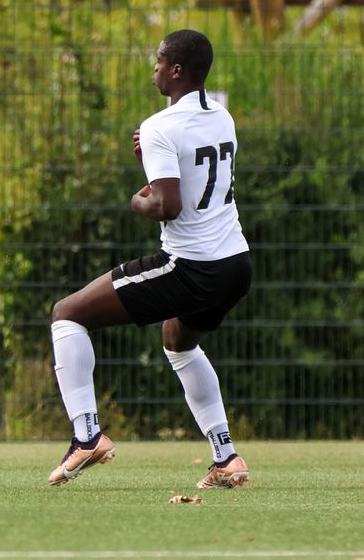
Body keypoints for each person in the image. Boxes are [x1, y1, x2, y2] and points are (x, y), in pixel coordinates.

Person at [47, 29, 252, 489]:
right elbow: (196, 178)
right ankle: (226, 457)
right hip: (236, 264)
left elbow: (168, 205)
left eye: (159, 61)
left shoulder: (160, 126)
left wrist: (137, 199)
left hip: (191, 267)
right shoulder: (222, 116)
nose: (153, 69)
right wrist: (155, 163)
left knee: (67, 315)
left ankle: (86, 436)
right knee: (178, 340)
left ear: (176, 69)